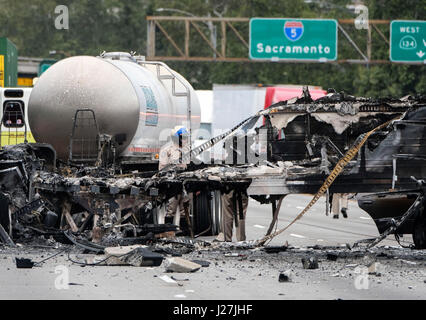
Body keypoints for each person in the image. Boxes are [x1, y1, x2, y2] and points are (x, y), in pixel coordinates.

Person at [158, 126, 190, 227]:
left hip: (184, 183)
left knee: (185, 209)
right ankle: (169, 232)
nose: (185, 140)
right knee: (171, 208)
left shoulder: (187, 150)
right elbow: (162, 168)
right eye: (183, 137)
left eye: (186, 137)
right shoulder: (167, 150)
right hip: (172, 183)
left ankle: (185, 232)